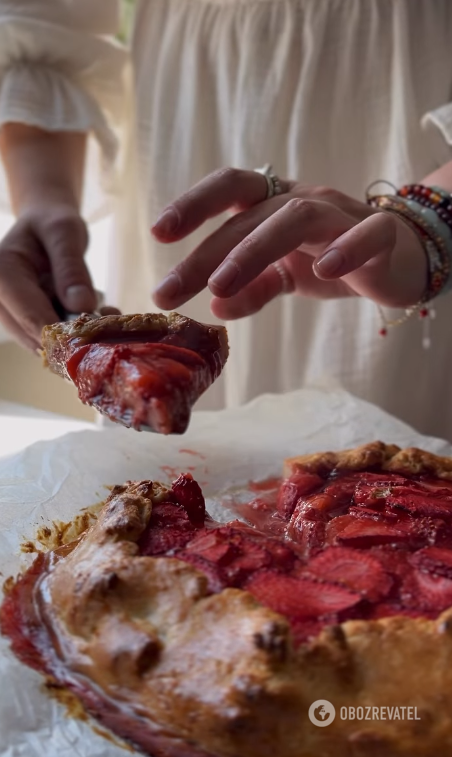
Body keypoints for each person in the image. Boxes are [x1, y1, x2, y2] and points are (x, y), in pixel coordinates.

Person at [1, 0, 452, 438]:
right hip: (179, 128)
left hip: (407, 152)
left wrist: (432, 221)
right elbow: (39, 20)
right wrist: (45, 197)